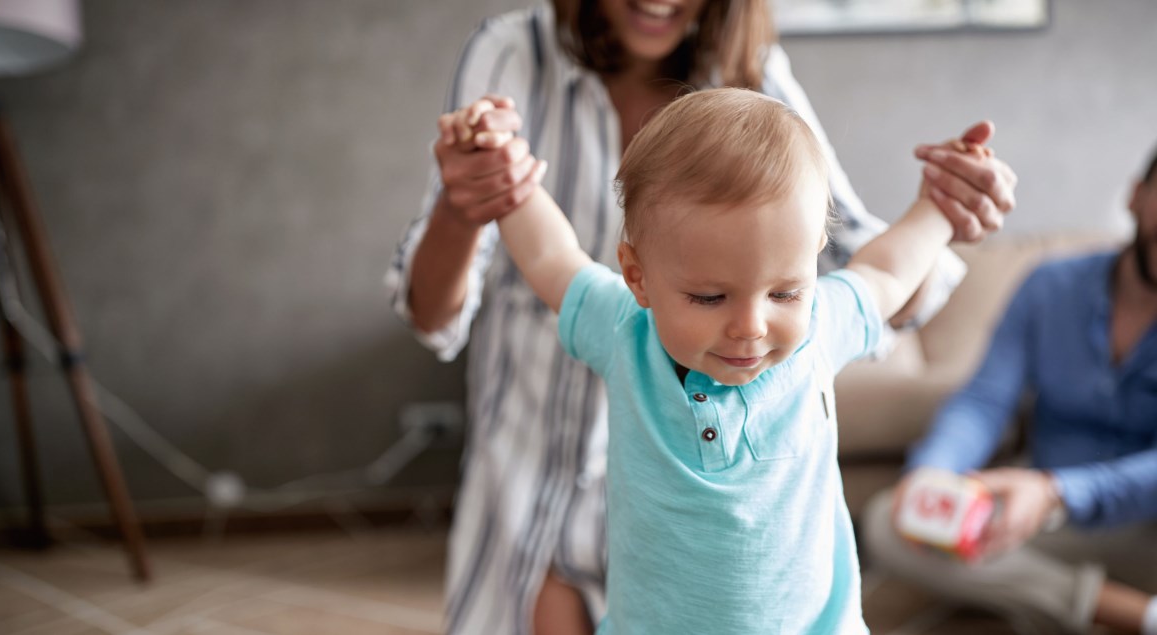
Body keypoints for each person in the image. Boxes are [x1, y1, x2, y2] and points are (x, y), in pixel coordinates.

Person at [386, 1, 1018, 632]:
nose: (751, 326)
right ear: (636, 276)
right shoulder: (620, 328)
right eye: (710, 298)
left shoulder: (823, 324)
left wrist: (938, 207)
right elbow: (552, 254)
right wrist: (503, 171)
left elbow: (883, 270)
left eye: (783, 292)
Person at [862, 146, 1157, 635]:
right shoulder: (1050, 286)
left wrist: (1057, 492)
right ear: (1137, 197)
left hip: (1140, 526)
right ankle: (1127, 613)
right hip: (1035, 516)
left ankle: (1026, 604)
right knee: (889, 522)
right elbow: (983, 401)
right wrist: (932, 473)